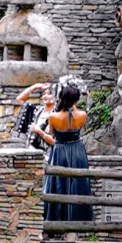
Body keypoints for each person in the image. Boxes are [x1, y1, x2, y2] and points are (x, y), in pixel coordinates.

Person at [36, 76, 93, 225]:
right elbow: (74, 113)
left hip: (60, 151)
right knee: (78, 185)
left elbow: (51, 138)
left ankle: (56, 222)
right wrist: (72, 104)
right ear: (76, 100)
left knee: (57, 185)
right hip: (78, 150)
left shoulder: (53, 117)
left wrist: (39, 132)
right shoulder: (82, 115)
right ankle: (77, 224)